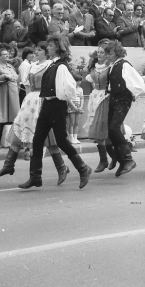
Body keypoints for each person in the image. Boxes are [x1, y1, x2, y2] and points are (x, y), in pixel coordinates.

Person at [17, 35, 92, 190]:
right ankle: (35, 177)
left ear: (58, 47)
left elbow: (70, 87)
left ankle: (83, 168)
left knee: (62, 141)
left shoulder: (61, 66)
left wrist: (61, 98)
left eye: (50, 46)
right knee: (37, 140)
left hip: (56, 105)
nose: (48, 48)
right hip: (47, 104)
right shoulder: (53, 64)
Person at [0, 43, 70, 183]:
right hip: (30, 101)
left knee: (47, 138)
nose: (36, 52)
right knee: (19, 132)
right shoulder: (32, 66)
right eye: (36, 50)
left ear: (46, 52)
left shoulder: (50, 65)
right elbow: (27, 85)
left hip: (42, 100)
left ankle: (62, 167)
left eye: (40, 50)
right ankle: (8, 165)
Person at [105, 41, 145, 177]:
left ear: (117, 52)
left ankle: (128, 159)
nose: (108, 56)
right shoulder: (113, 66)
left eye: (110, 53)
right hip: (113, 98)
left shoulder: (124, 65)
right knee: (110, 132)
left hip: (122, 100)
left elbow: (138, 83)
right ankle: (122, 161)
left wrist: (132, 94)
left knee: (114, 129)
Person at [83, 45, 117, 173]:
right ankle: (107, 159)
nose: (100, 54)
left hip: (105, 98)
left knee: (103, 131)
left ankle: (110, 158)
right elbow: (91, 82)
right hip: (95, 97)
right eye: (98, 52)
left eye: (102, 52)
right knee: (100, 132)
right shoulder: (94, 66)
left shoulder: (110, 67)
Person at [0, 48, 21, 148]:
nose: (7, 56)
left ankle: (12, 140)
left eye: (8, 54)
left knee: (14, 117)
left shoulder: (10, 66)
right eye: (4, 54)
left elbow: (16, 78)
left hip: (13, 94)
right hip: (1, 94)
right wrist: (3, 76)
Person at [67, 73, 83, 144]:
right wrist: (74, 106)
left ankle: (75, 138)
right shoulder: (70, 88)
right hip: (72, 106)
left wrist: (81, 107)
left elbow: (82, 98)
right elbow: (69, 99)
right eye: (77, 81)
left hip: (78, 107)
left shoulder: (80, 89)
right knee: (72, 122)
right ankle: (71, 138)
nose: (79, 82)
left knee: (77, 123)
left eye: (80, 81)